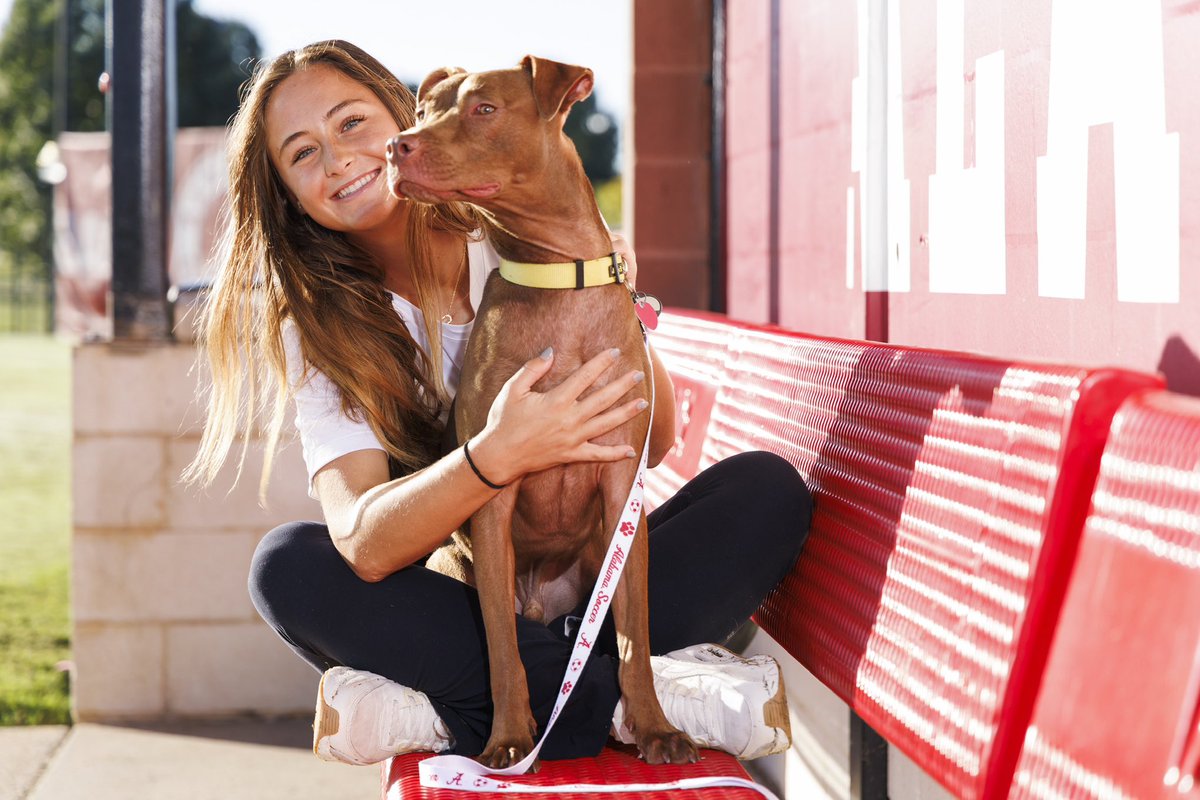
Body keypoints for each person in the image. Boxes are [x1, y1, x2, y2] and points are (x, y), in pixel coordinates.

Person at [188, 39, 813, 767]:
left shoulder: (518, 229)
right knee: (287, 566)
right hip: (475, 597)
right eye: (302, 153)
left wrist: (610, 295)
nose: (337, 159)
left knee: (766, 491)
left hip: (588, 585)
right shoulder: (324, 330)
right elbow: (362, 541)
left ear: (406, 114)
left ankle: (445, 711)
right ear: (289, 195)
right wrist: (494, 455)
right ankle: (634, 701)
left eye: (351, 122)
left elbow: (659, 439)